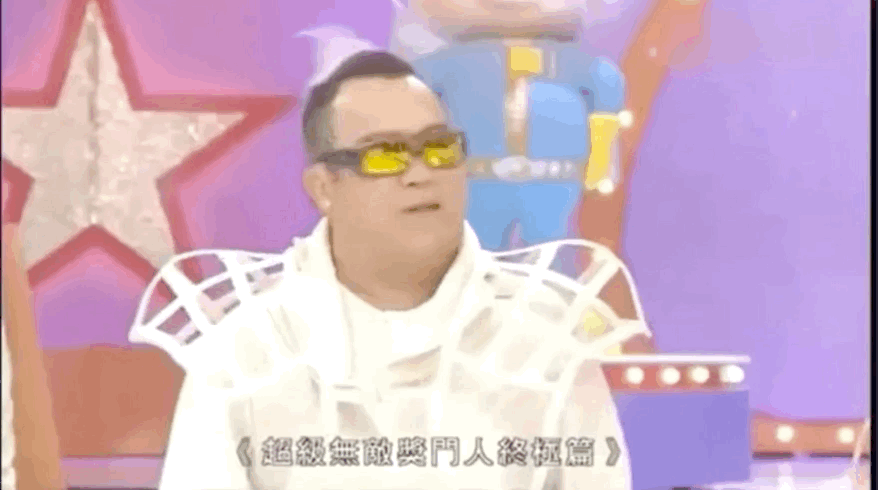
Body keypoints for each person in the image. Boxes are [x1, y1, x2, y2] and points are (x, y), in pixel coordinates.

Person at [129, 50, 651, 490]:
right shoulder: (244, 350)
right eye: (384, 156)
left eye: (438, 149)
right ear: (323, 188)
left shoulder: (546, 336)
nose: (420, 174)